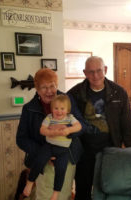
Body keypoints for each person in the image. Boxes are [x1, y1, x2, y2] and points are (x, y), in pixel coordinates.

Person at [68, 56, 131, 200]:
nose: (95, 76)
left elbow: (128, 124)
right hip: (83, 151)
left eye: (99, 71)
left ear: (105, 70)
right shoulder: (74, 94)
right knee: (83, 190)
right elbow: (66, 121)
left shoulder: (119, 92)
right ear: (85, 73)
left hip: (111, 149)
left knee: (109, 189)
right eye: (91, 72)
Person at [16, 68, 85, 200]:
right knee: (44, 195)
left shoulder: (67, 100)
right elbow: (21, 139)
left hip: (67, 155)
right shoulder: (29, 108)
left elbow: (81, 125)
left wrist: (67, 132)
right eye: (44, 87)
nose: (49, 91)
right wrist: (43, 152)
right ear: (37, 89)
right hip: (43, 159)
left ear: (57, 85)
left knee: (64, 194)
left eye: (52, 86)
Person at [22, 94, 82, 199]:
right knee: (39, 161)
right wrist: (51, 132)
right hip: (49, 146)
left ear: (67, 110)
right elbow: (42, 129)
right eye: (56, 108)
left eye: (62, 108)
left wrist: (68, 130)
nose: (59, 111)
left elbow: (79, 126)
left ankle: (56, 193)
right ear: (52, 109)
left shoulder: (70, 118)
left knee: (61, 170)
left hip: (63, 150)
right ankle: (30, 182)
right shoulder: (49, 117)